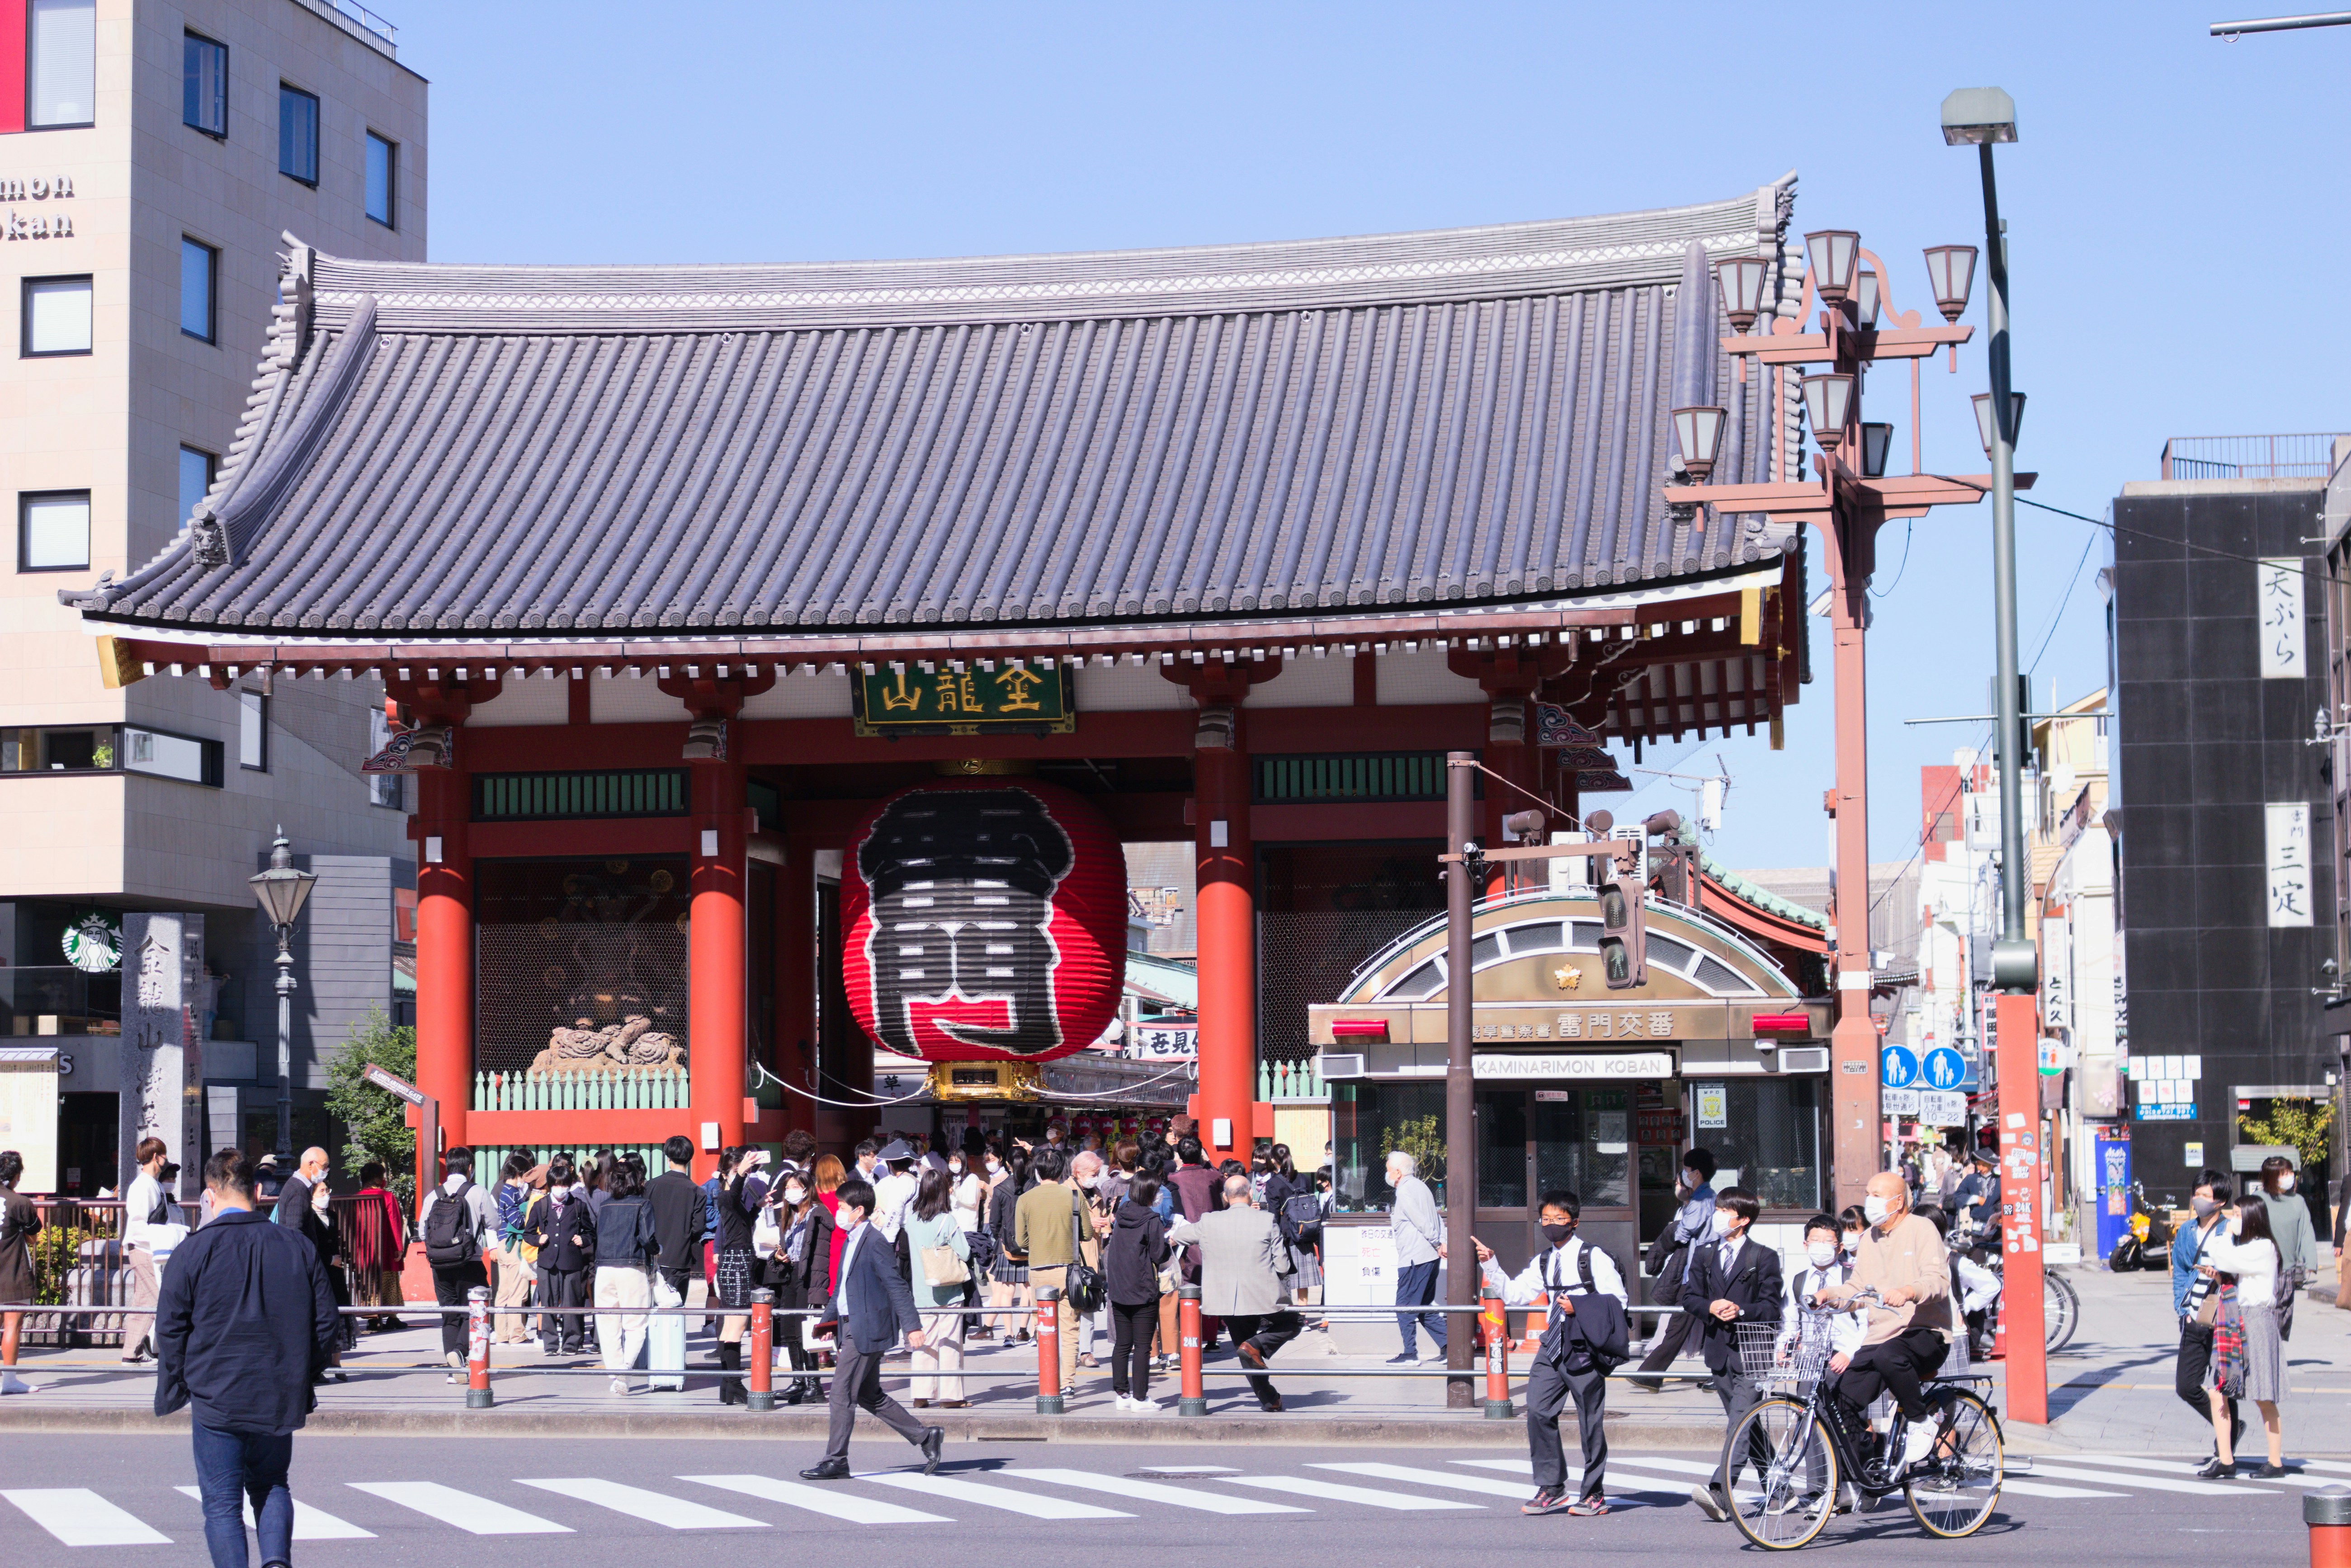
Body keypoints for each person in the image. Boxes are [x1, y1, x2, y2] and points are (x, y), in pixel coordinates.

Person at [155, 1148, 339, 1568]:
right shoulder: (296, 1246)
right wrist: (303, 1373)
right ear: (258, 1191)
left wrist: (183, 1381)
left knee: (221, 1503)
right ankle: (276, 1562)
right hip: (277, 1389)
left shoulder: (193, 1251)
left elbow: (170, 1328)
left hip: (215, 1391)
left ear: (209, 1196)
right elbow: (326, 1323)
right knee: (273, 1483)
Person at [1475, 1190, 1629, 1516]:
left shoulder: (1594, 1257)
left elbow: (1619, 1300)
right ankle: (1552, 1487)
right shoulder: (1543, 1260)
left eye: (1558, 1219)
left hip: (1584, 1346)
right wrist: (1492, 1264)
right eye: (1546, 1219)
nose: (1551, 1225)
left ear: (1574, 1222)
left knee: (1590, 1422)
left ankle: (1594, 1494)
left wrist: (1580, 1307)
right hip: (1552, 1344)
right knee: (1538, 1411)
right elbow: (1516, 1294)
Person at [799, 1177, 944, 1480]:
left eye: (842, 1207)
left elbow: (896, 1286)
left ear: (859, 1210)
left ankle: (836, 1460)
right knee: (869, 1394)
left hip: (866, 1330)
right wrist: (827, 1321)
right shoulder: (852, 1239)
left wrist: (913, 1326)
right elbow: (841, 1289)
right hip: (851, 1325)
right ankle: (925, 1436)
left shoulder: (875, 1241)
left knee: (840, 1392)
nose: (838, 1211)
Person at [1817, 1171, 1954, 1473]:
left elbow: (1938, 1281)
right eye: (1869, 1193)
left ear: (1899, 1202)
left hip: (1925, 1331)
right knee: (1841, 1400)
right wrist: (1828, 1295)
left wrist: (1908, 1292)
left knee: (1889, 1356)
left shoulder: (1922, 1228)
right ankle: (1863, 1476)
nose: (1870, 1201)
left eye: (1877, 1196)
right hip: (1881, 1336)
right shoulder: (1869, 1238)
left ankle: (1921, 1420)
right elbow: (1857, 1289)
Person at [1680, 1187, 1784, 1521]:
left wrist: (1740, 1311)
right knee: (1746, 1424)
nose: (1719, 1215)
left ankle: (1721, 1493)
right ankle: (1782, 1490)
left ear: (1744, 1220)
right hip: (1719, 1351)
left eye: (1727, 1211)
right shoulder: (1705, 1254)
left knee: (1739, 1422)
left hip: (1753, 1351)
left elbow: (1771, 1307)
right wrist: (1710, 1306)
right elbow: (1689, 1297)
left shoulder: (1763, 1257)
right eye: (1719, 1208)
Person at [1168, 1171, 1299, 1411]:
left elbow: (1177, 1237)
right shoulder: (1266, 1220)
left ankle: (1269, 1398)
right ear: (1250, 1194)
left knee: (1245, 1352)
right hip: (1262, 1295)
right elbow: (1282, 1265)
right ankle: (1258, 1344)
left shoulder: (1209, 1221)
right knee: (1293, 1323)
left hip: (1225, 1299)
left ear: (1225, 1198)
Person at [2199, 1198, 2288, 1477]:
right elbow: (2229, 1266)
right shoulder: (2249, 1248)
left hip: (2257, 1322)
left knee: (2263, 1395)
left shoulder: (2263, 1247)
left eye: (2237, 1214)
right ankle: (2226, 1460)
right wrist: (2218, 1277)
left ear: (2251, 1217)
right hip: (2236, 1320)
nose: (2232, 1219)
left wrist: (2225, 1234)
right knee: (2217, 1390)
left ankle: (2275, 1462)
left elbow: (2223, 1257)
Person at [1629, 1147, 1717, 1391]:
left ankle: (1651, 1374)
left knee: (1688, 1324)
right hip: (1701, 1272)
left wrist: (1672, 1232)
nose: (1684, 1174)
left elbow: (1684, 1231)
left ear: (1697, 1173)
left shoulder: (1702, 1200)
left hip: (1700, 1274)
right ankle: (1651, 1374)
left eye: (1687, 1170)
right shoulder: (1706, 1197)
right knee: (1689, 1325)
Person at [1014, 1146, 1098, 1398]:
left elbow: (1021, 1240)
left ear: (1038, 1172)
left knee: (1045, 1328)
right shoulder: (1073, 1196)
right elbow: (1087, 1234)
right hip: (1069, 1270)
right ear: (1062, 1171)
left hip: (1039, 1270)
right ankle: (1068, 1382)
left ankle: (1049, 1379)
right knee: (1070, 1328)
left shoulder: (1025, 1199)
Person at [419, 1147, 496, 1384]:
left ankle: (454, 1372)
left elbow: (423, 1232)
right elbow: (493, 1222)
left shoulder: (434, 1195)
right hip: (469, 1262)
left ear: (449, 1168)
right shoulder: (478, 1192)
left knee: (450, 1315)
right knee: (476, 1312)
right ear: (470, 1168)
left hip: (440, 1266)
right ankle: (461, 1353)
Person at [904, 1165, 972, 1408]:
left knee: (924, 1343)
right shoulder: (947, 1221)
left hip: (921, 1292)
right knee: (950, 1343)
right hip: (948, 1290)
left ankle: (921, 1394)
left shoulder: (911, 1221)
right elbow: (965, 1252)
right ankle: (950, 1397)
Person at [1105, 1171, 1173, 1411]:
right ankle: (1141, 1398)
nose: (1159, 1196)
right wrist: (1169, 1244)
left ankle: (1122, 1393)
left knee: (1123, 1343)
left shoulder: (1120, 1216)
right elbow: (1158, 1255)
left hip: (1119, 1287)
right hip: (1143, 1288)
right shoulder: (1152, 1220)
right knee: (1144, 1346)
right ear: (1150, 1194)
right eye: (1157, 1192)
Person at [592, 1157, 660, 1394]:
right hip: (632, 1268)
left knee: (608, 1324)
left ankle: (615, 1375)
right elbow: (648, 1239)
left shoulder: (604, 1206)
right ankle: (625, 1370)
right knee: (635, 1324)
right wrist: (658, 1250)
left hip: (604, 1269)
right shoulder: (643, 1204)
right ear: (636, 1180)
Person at [644, 1135, 707, 1391]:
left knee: (650, 1313)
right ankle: (675, 1361)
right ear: (689, 1158)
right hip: (680, 1259)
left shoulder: (651, 1186)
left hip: (652, 1259)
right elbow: (699, 1227)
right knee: (676, 1313)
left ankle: (650, 1361)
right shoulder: (696, 1191)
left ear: (667, 1157)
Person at [526, 1154, 595, 1355]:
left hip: (572, 1262)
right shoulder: (541, 1205)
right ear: (549, 1185)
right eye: (556, 1185)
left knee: (571, 1303)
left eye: (564, 1185)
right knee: (548, 1302)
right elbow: (528, 1233)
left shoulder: (578, 1205)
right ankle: (550, 1344)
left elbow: (590, 1232)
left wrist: (584, 1239)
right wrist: (536, 1239)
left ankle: (571, 1343)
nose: (561, 1189)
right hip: (547, 1262)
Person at [710, 1147, 764, 1405]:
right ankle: (734, 1384)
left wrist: (759, 1208)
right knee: (737, 1325)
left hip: (737, 1261)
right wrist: (741, 1173)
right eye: (734, 1170)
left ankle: (728, 1385)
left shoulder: (733, 1200)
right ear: (725, 1172)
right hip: (736, 1263)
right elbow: (732, 1200)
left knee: (732, 1325)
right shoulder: (725, 1196)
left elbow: (739, 1224)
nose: (741, 1174)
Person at [1385, 1149, 1446, 1364]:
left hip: (1414, 1258)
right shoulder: (1422, 1187)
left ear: (1398, 1172)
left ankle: (1410, 1353)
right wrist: (1441, 1242)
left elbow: (1421, 1221)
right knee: (1423, 1306)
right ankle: (1449, 1347)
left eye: (1389, 1170)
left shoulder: (1405, 1191)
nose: (1388, 1174)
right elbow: (1437, 1219)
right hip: (1429, 1256)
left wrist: (1438, 1242)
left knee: (1404, 1306)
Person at [121, 1136, 175, 1364]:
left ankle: (130, 1354)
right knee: (159, 1300)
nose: (166, 1159)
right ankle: (166, 1352)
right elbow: (138, 1223)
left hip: (147, 1248)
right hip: (145, 1249)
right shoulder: (143, 1185)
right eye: (164, 1155)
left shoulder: (150, 1184)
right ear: (156, 1157)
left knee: (144, 1303)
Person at [2254, 1157, 2318, 1340]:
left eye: (2291, 1173)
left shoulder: (2298, 1201)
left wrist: (2310, 1261)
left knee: (2283, 1314)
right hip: (2263, 1269)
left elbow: (2306, 1231)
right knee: (2265, 1315)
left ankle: (2275, 1355)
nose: (2291, 1177)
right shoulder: (2259, 1200)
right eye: (2285, 1174)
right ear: (2272, 1177)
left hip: (2288, 1269)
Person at [0, 1150, 40, 1395]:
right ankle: (10, 1381)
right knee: (12, 1326)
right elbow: (33, 1236)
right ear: (15, 1176)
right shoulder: (20, 1203)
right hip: (11, 1271)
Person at [349, 1162, 406, 1332]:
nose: (384, 1179)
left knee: (369, 1281)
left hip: (364, 1252)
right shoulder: (387, 1197)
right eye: (382, 1176)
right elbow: (395, 1223)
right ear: (376, 1178)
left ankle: (373, 1318)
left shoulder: (355, 1198)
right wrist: (399, 1247)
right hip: (385, 1249)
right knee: (389, 1280)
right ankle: (392, 1317)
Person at [491, 1152, 538, 1345]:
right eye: (524, 1176)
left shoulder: (505, 1191)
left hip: (503, 1245)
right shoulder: (511, 1193)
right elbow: (517, 1222)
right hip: (513, 1245)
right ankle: (517, 1334)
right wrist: (528, 1209)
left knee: (504, 1292)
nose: (524, 1181)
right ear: (518, 1174)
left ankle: (502, 1334)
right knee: (518, 1292)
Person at [985, 1147, 1032, 1340]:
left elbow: (994, 1223)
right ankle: (1025, 1330)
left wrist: (1002, 1238)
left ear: (1007, 1164)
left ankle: (1008, 1334)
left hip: (1008, 1244)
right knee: (1029, 1288)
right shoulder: (1035, 1187)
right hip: (1031, 1244)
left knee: (1007, 1289)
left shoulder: (1000, 1189)